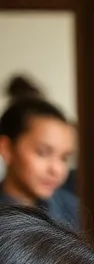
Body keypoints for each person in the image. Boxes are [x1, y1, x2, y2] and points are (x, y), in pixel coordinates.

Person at [0, 75, 79, 229]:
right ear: (7, 149)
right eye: (43, 153)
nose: (56, 170)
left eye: (64, 158)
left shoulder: (73, 211)